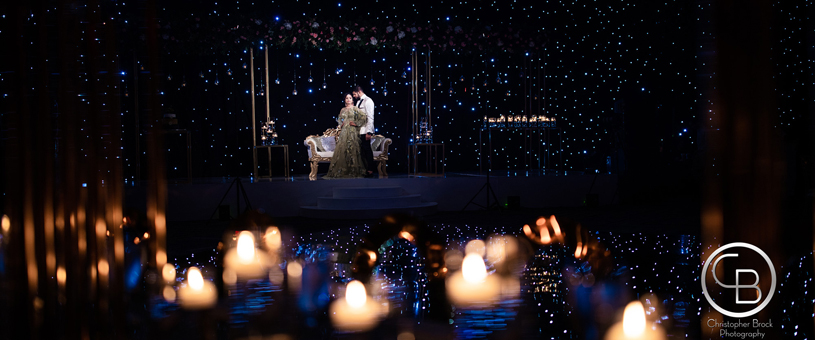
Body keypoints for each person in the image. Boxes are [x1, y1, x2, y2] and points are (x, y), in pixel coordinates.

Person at [324, 94, 369, 179]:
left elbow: (363, 117)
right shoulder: (343, 109)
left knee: (353, 149)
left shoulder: (355, 108)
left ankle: (353, 170)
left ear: (352, 100)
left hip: (352, 131)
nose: (348, 99)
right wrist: (341, 123)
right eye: (346, 98)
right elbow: (339, 118)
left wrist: (356, 123)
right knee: (343, 150)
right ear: (345, 100)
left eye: (350, 98)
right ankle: (344, 170)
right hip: (344, 132)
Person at [352, 86, 376, 177]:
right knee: (361, 151)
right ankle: (364, 170)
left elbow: (370, 117)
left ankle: (370, 170)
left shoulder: (368, 101)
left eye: (354, 94)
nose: (354, 96)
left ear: (358, 92)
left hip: (365, 130)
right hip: (359, 130)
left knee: (367, 150)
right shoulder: (358, 102)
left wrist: (369, 132)